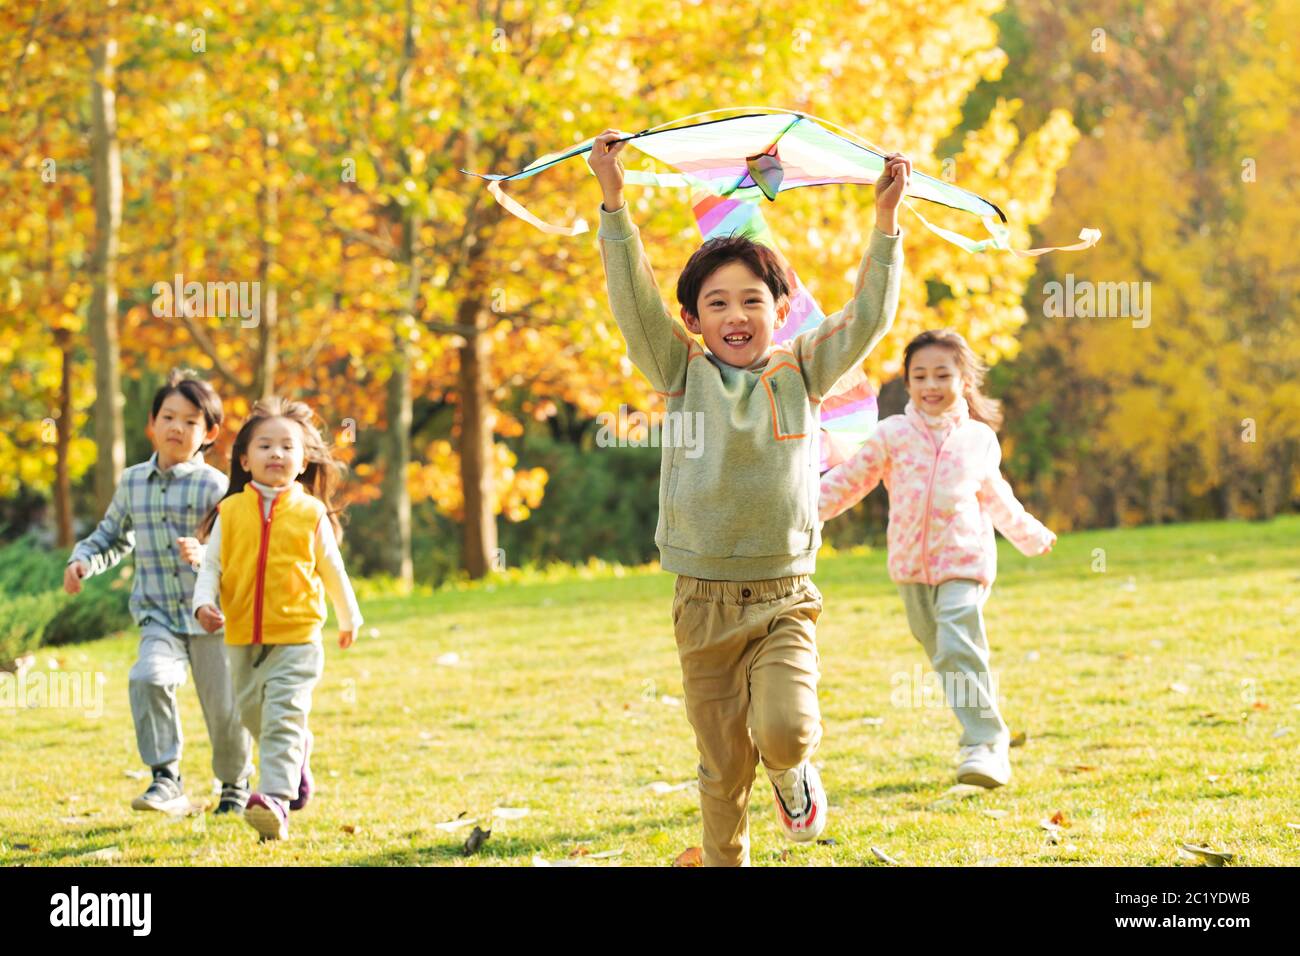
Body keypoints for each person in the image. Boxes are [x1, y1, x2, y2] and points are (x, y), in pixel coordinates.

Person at [590, 128, 908, 865]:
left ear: (780, 307)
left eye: (752, 301)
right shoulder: (680, 371)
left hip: (783, 594)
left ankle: (793, 773)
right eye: (717, 304)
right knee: (723, 766)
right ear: (695, 321)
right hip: (700, 599)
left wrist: (885, 225)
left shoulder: (804, 370)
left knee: (785, 731)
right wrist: (614, 201)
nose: (736, 316)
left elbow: (867, 317)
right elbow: (634, 302)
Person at [820, 328, 1056, 788]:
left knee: (956, 645)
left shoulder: (978, 439)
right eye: (920, 375)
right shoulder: (891, 435)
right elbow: (850, 480)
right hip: (910, 568)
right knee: (944, 652)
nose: (931, 385)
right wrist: (802, 510)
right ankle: (982, 733)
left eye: (942, 375)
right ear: (906, 383)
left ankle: (986, 744)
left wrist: (1029, 534)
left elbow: (996, 496)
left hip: (964, 562)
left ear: (964, 380)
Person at [65, 370, 254, 815]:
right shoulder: (133, 481)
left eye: (190, 421)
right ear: (151, 422)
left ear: (208, 433)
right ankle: (166, 778)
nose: (176, 428)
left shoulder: (217, 487)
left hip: (211, 616)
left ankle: (235, 784)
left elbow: (240, 549)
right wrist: (82, 561)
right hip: (158, 616)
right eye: (168, 416)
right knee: (147, 678)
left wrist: (206, 551)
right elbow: (112, 536)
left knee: (225, 710)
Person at [193, 397, 362, 840]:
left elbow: (332, 569)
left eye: (287, 447)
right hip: (241, 637)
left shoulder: (311, 515)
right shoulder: (229, 513)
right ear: (245, 460)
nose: (276, 454)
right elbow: (211, 567)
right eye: (265, 446)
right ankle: (298, 754)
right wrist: (202, 603)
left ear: (303, 460)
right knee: (253, 717)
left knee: (284, 715)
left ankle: (274, 800)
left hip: (298, 637)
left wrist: (349, 617)